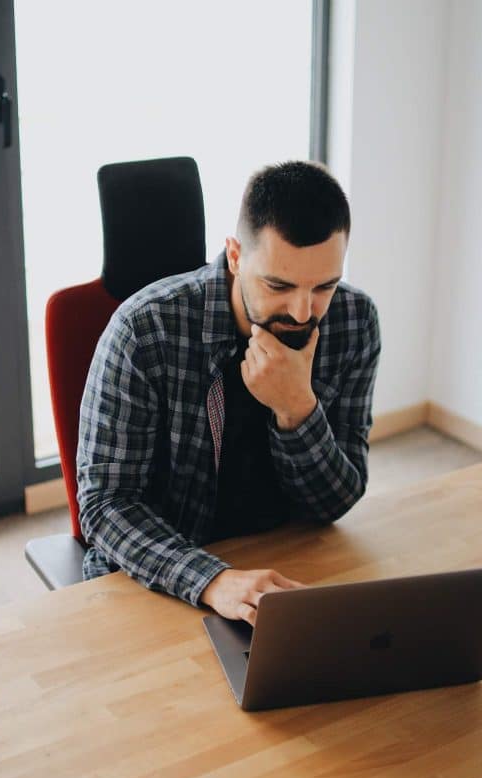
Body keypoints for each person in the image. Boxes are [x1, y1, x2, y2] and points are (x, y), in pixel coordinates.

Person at [77, 160, 381, 626]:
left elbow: (335, 503)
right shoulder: (145, 330)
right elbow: (104, 507)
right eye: (278, 285)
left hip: (284, 568)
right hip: (159, 580)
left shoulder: (354, 322)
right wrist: (212, 580)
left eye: (324, 286)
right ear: (236, 256)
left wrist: (296, 407)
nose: (303, 312)